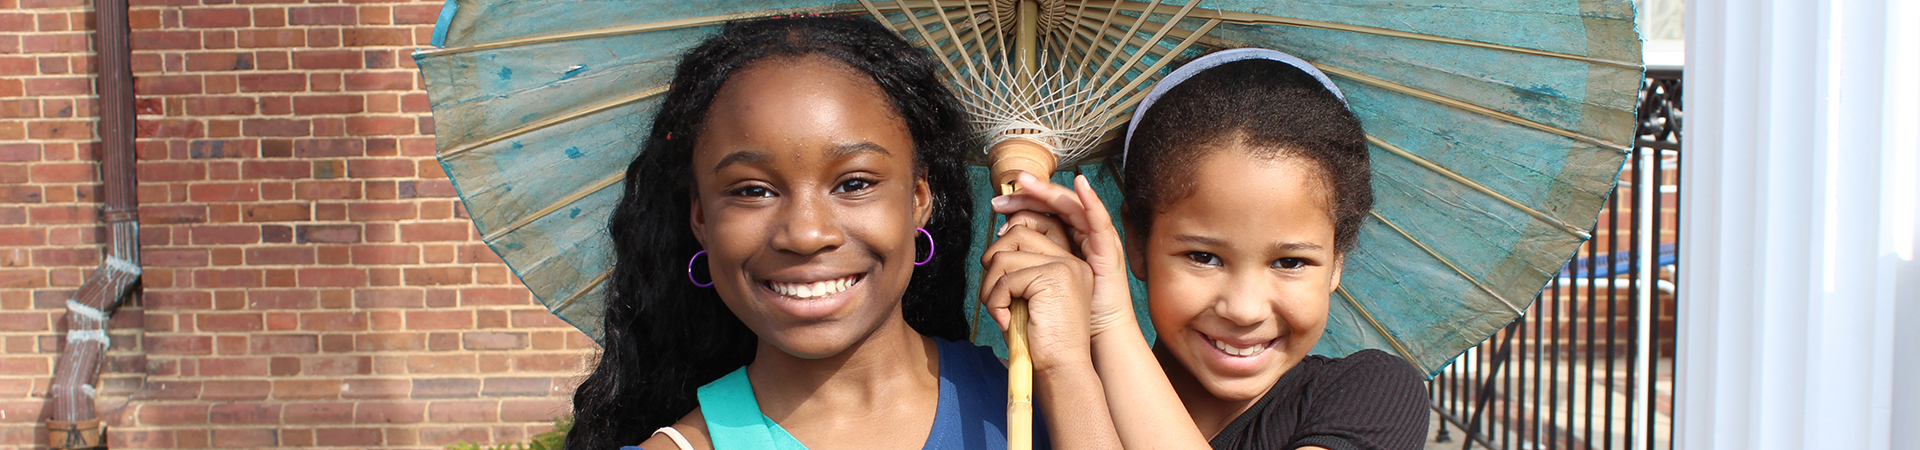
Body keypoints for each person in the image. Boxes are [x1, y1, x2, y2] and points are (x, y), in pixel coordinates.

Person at [564, 16, 1116, 450]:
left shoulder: (1053, 407)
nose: (805, 234)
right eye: (752, 190)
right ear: (700, 218)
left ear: (919, 198)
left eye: (854, 183)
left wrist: (1068, 373)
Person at [982, 48, 1429, 450]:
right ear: (1136, 242)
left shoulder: (1371, 396)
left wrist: (1109, 323)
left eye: (1291, 261)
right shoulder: (1022, 400)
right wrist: (1065, 367)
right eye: (1204, 256)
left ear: (1338, 260)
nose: (1244, 309)